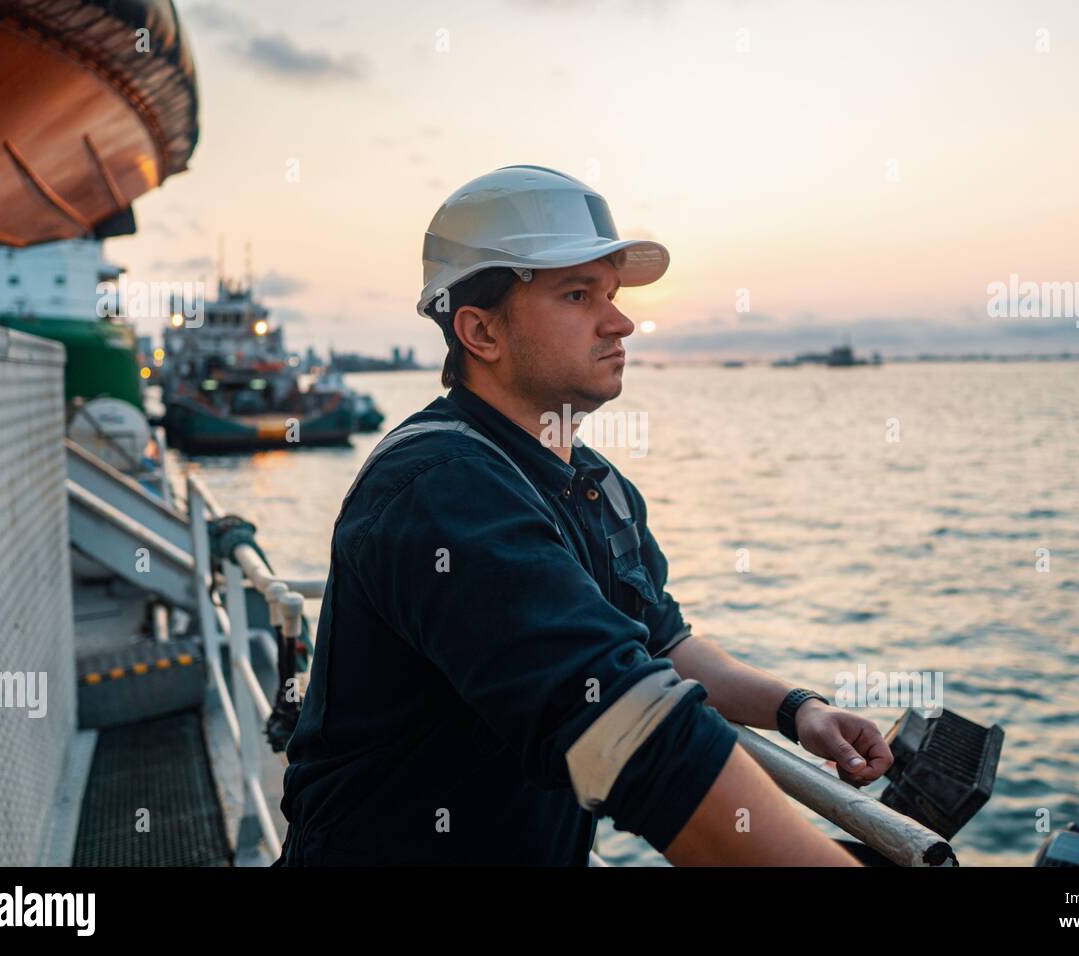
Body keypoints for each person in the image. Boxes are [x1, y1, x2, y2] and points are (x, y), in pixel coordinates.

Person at [275, 165, 892, 866]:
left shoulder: (597, 485)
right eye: (577, 294)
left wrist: (798, 709)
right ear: (480, 331)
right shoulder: (440, 488)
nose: (621, 320)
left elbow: (662, 646)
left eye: (613, 294)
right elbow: (633, 735)